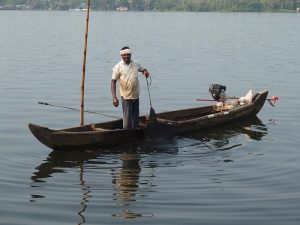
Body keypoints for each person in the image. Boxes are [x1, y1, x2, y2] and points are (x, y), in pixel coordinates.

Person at [111, 46, 150, 129]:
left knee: (135, 117)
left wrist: (145, 72)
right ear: (121, 56)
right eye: (124, 55)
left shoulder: (136, 63)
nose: (126, 57)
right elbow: (113, 82)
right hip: (126, 96)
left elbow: (143, 70)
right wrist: (114, 97)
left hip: (136, 95)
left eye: (128, 55)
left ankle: (135, 131)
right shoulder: (118, 67)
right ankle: (127, 133)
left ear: (130, 54)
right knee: (127, 118)